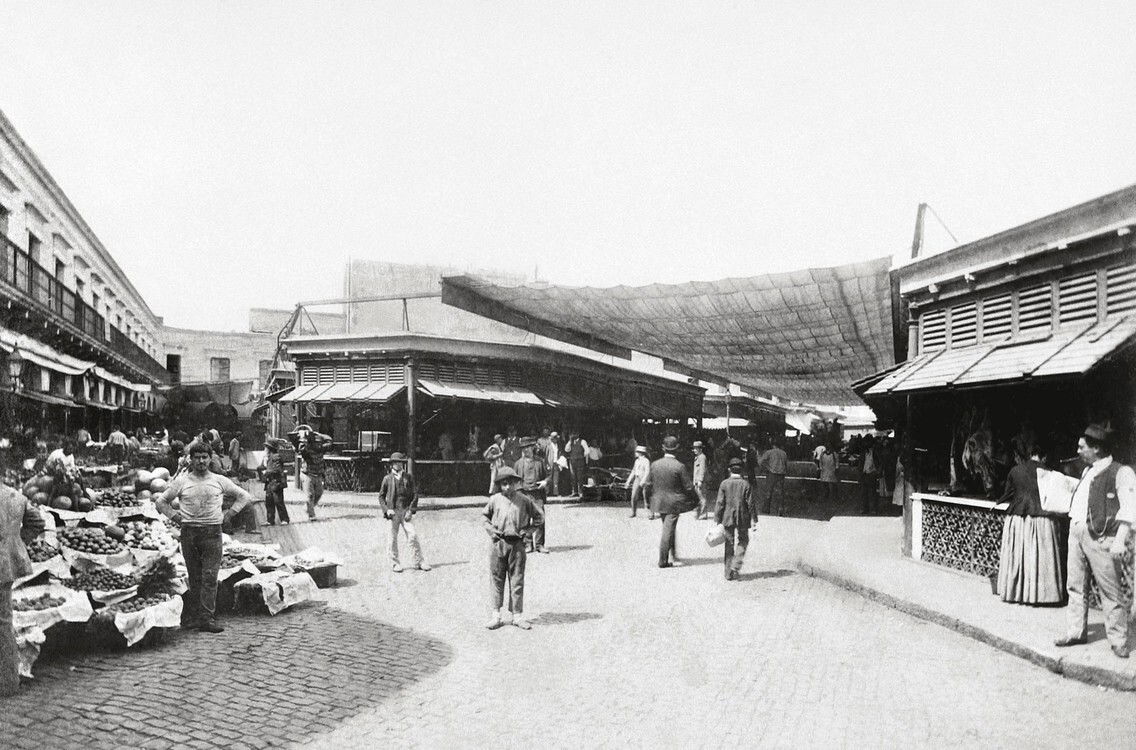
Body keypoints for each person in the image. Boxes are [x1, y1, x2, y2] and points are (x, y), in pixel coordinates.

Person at [1055, 424, 1136, 659]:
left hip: (1102, 538)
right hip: (1077, 533)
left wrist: (1120, 540)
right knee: (1075, 586)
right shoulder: (1086, 471)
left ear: (1097, 448)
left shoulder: (1121, 472)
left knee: (1110, 591)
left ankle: (1119, 640)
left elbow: (1130, 510)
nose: (1078, 451)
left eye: (1082, 447)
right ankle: (1075, 632)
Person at [156, 440, 252, 633]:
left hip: (212, 533)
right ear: (190, 460)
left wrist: (230, 515)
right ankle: (193, 617)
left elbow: (244, 496)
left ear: (210, 459)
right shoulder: (182, 481)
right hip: (189, 534)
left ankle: (207, 618)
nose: (200, 461)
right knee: (194, 576)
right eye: (197, 457)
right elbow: (161, 501)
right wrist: (175, 517)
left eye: (204, 457)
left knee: (210, 576)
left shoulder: (219, 480)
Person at [996, 439, 1062, 604]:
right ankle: (1041, 595)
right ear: (1044, 457)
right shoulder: (1051, 472)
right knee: (1039, 557)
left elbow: (1007, 494)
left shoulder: (1015, 470)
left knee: (1018, 555)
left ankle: (1015, 592)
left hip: (1017, 518)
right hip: (1042, 519)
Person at [483, 467, 544, 630]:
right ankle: (496, 615)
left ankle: (517, 615)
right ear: (499, 485)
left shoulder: (524, 500)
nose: (507, 487)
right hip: (499, 543)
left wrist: (527, 532)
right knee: (497, 578)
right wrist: (492, 532)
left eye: (510, 484)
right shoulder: (495, 500)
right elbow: (485, 518)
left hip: (517, 545)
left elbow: (539, 518)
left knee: (517, 579)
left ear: (516, 483)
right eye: (504, 484)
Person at [1, 481, 46, 696]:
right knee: (4, 624)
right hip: (7, 566)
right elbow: (37, 522)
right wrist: (16, 543)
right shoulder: (15, 495)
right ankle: (9, 683)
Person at [643, 436, 696, 568]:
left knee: (668, 527)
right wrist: (696, 500)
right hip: (674, 503)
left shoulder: (655, 464)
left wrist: (649, 502)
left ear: (663, 448)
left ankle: (673, 554)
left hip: (659, 502)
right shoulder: (680, 466)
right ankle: (663, 560)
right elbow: (689, 487)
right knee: (668, 530)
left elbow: (648, 485)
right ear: (677, 449)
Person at [379, 452, 430, 573]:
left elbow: (415, 495)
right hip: (393, 513)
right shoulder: (387, 479)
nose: (398, 465)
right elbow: (381, 497)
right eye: (396, 462)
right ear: (391, 464)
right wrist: (387, 510)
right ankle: (394, 563)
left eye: (400, 462)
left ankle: (419, 561)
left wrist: (411, 510)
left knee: (412, 536)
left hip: (405, 511)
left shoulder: (408, 477)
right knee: (392, 539)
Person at [715, 458, 758, 581]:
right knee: (743, 540)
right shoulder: (746, 484)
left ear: (729, 469)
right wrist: (754, 519)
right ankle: (736, 566)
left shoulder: (724, 483)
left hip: (727, 517)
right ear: (742, 470)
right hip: (743, 517)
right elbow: (751, 504)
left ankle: (728, 573)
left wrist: (717, 519)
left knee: (729, 543)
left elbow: (720, 502)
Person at [514, 437, 549, 553]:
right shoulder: (518, 464)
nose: (525, 450)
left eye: (528, 447)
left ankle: (539, 545)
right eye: (523, 448)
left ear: (532, 447)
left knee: (540, 518)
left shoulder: (540, 462)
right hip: (524, 494)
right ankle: (528, 544)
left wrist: (545, 482)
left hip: (537, 494)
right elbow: (515, 481)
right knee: (524, 521)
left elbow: (548, 475)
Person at [299, 429, 329, 522]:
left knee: (319, 493)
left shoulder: (321, 450)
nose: (318, 444)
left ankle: (309, 507)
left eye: (319, 442)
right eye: (316, 442)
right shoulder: (307, 451)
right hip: (308, 475)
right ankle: (311, 515)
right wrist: (303, 437)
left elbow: (330, 441)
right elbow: (301, 448)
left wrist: (319, 434)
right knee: (310, 495)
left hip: (318, 475)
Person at [262, 439, 289, 525]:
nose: (265, 449)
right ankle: (270, 520)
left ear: (270, 448)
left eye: (266, 447)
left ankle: (284, 519)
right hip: (270, 482)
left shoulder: (276, 457)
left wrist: (266, 472)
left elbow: (277, 469)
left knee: (278, 501)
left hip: (276, 482)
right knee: (269, 501)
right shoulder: (270, 457)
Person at [760, 439, 789, 516]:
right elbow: (786, 464)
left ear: (773, 445)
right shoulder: (784, 453)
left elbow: (761, 461)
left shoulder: (769, 452)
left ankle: (766, 509)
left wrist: (766, 467)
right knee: (780, 492)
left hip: (771, 474)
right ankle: (780, 509)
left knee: (769, 491)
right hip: (781, 474)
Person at [625, 444, 651, 518]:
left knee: (646, 496)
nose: (635, 453)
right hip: (637, 478)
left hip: (645, 479)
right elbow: (633, 471)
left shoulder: (646, 461)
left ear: (640, 453)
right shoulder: (636, 461)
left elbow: (647, 471)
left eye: (636, 452)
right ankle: (633, 512)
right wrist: (628, 481)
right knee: (633, 496)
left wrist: (643, 481)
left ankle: (650, 513)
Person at [858, 435, 880, 516]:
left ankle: (874, 509)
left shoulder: (875, 452)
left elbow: (879, 463)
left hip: (872, 475)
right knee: (864, 493)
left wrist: (877, 472)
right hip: (864, 475)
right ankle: (865, 509)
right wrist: (860, 474)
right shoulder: (863, 453)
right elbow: (860, 465)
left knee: (872, 493)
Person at [565, 432, 588, 497]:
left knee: (580, 477)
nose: (573, 435)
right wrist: (570, 441)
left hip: (580, 461)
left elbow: (587, 450)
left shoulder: (582, 441)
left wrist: (583, 457)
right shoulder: (571, 442)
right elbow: (567, 450)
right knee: (573, 477)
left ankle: (580, 492)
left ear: (577, 434)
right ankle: (574, 492)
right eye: (572, 434)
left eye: (574, 434)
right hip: (572, 461)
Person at [692, 441, 710, 520]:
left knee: (702, 497)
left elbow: (702, 469)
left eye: (696, 448)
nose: (694, 450)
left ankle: (703, 514)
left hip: (700, 481)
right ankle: (699, 513)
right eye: (694, 448)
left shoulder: (702, 457)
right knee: (699, 497)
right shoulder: (698, 457)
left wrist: (700, 480)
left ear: (700, 449)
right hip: (697, 480)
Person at [546, 431, 562, 497]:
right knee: (548, 478)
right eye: (555, 438)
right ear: (552, 439)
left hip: (556, 463)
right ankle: (547, 493)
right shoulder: (548, 446)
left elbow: (559, 454)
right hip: (550, 464)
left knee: (556, 479)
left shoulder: (558, 445)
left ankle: (556, 492)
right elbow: (546, 456)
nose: (556, 440)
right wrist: (547, 464)